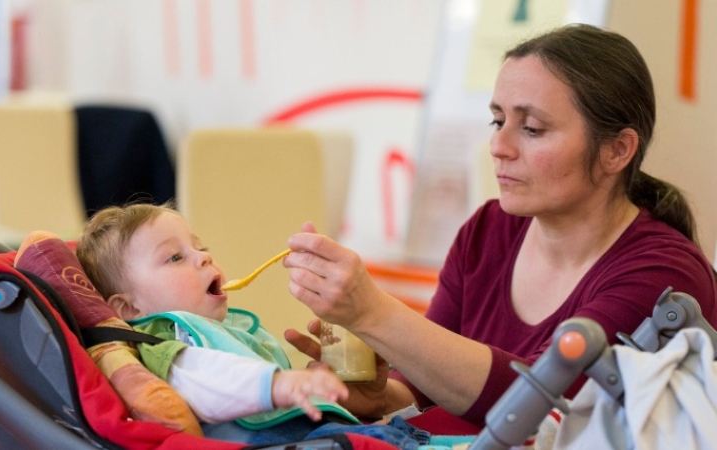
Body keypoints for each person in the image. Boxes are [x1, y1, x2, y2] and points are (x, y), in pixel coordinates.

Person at [282, 23, 717, 432]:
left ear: (617, 150)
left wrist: (373, 313)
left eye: (531, 128)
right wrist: (380, 397)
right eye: (497, 121)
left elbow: (546, 410)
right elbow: (429, 384)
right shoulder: (488, 230)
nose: (498, 146)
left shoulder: (664, 275)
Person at [75, 202, 428, 448]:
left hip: (311, 435)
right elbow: (210, 379)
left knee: (397, 432)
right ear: (129, 306)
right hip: (268, 444)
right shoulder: (165, 342)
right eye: (176, 257)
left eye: (200, 248)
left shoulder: (220, 331)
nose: (204, 257)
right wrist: (281, 384)